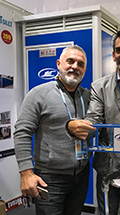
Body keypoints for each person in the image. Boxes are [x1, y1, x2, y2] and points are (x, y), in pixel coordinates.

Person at [67, 30, 120, 215]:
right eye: (119, 50)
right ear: (114, 56)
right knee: (108, 212)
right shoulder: (99, 86)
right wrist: (80, 128)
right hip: (109, 164)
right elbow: (94, 119)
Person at [14, 45, 91, 215]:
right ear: (58, 64)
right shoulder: (39, 94)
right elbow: (22, 132)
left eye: (80, 64)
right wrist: (26, 173)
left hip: (81, 174)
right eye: (70, 61)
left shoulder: (88, 96)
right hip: (50, 178)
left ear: (85, 69)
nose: (75, 67)